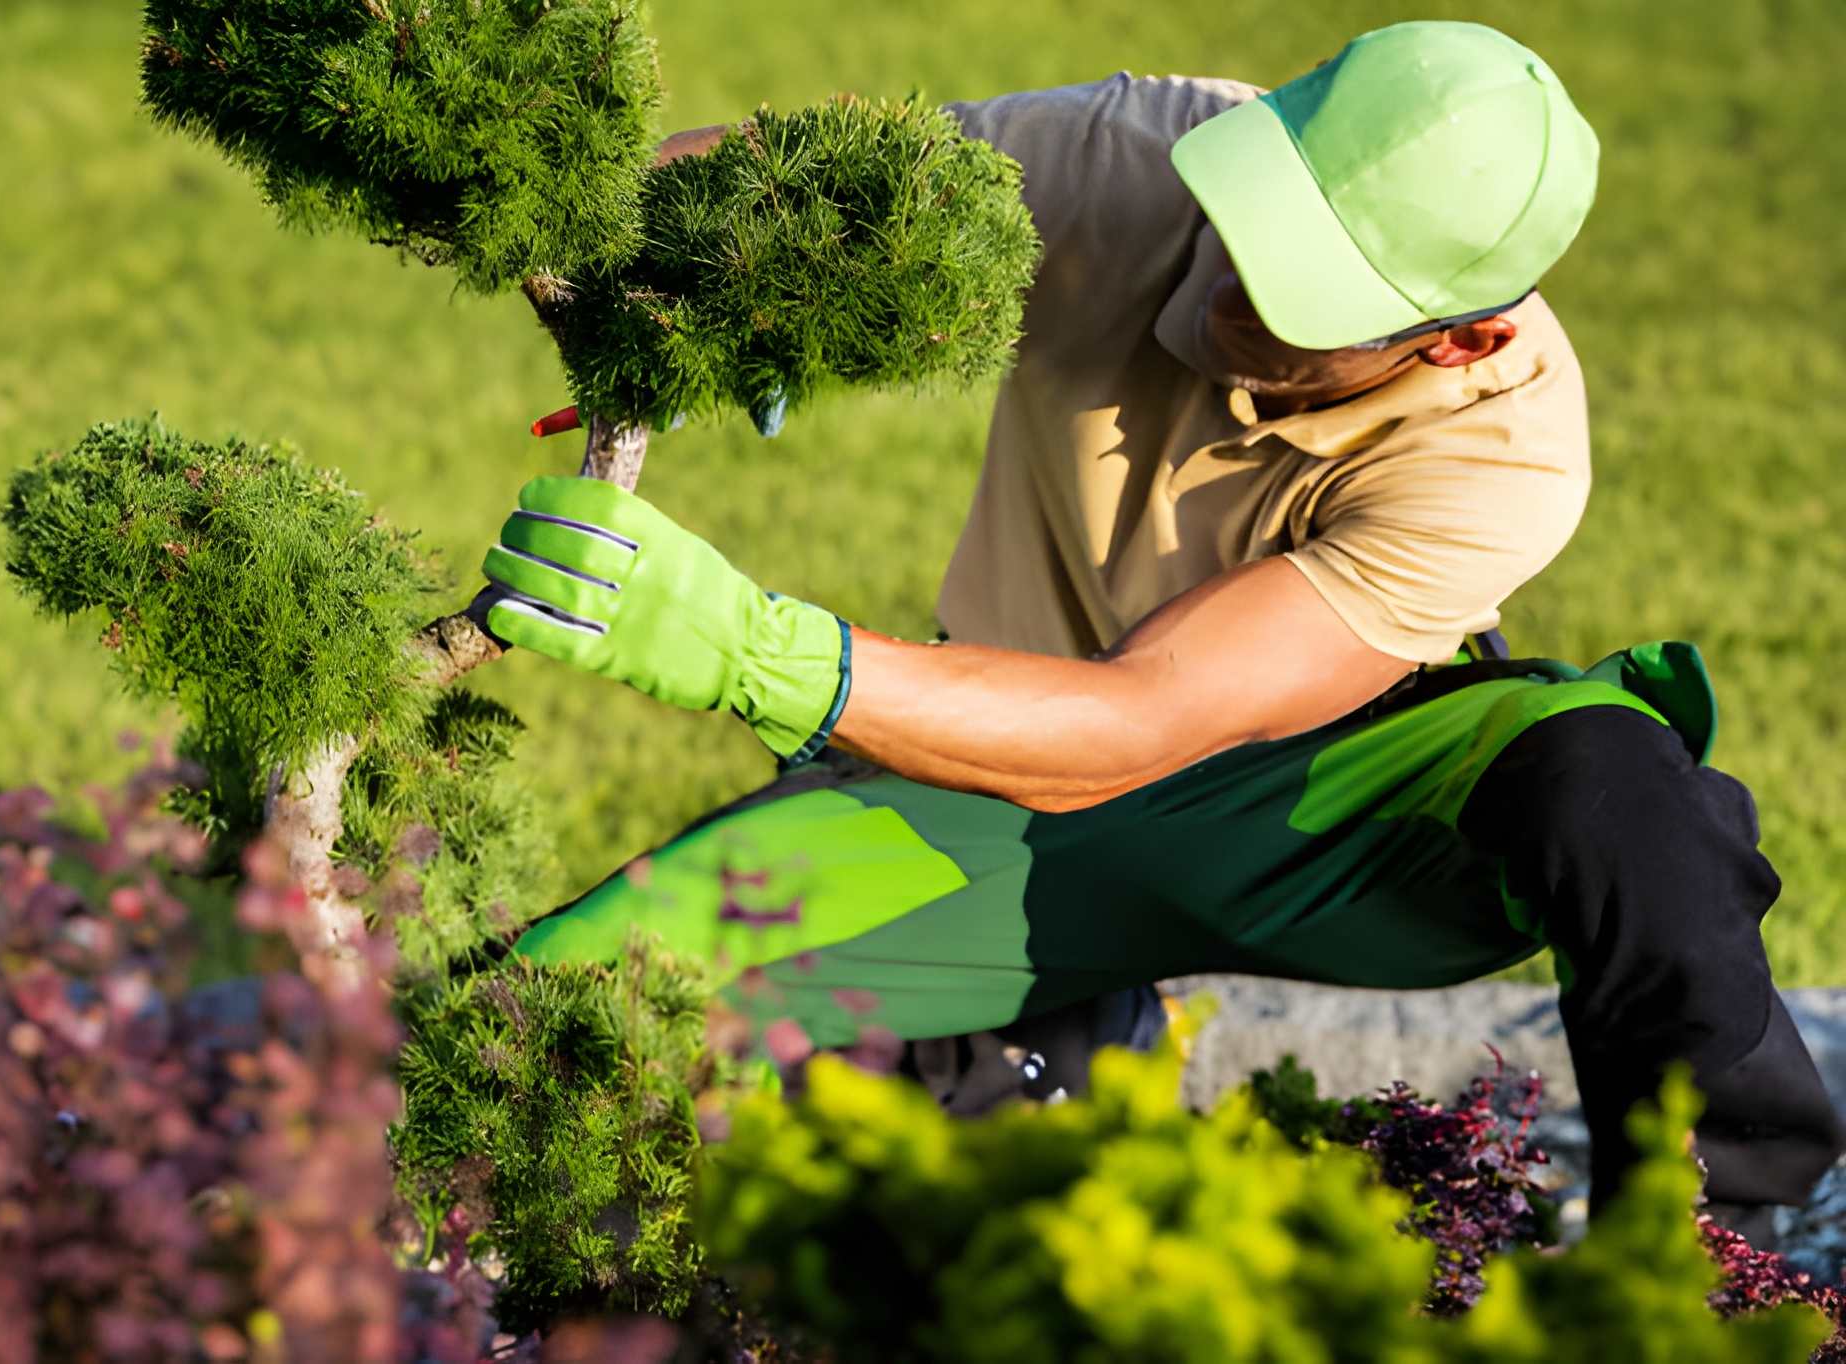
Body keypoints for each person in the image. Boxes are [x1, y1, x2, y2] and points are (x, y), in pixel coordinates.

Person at [480, 21, 1845, 1215]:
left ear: (1460, 339)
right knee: (544, 1026)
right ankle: (1055, 1061)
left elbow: (1145, 720)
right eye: (1256, 226)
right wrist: (707, 273)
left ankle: (1710, 1247)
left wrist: (748, 647)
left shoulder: (1508, 451)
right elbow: (753, 183)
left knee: (1613, 780)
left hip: (1332, 822)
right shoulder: (1148, 148)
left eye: (1305, 296)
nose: (1235, 286)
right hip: (992, 771)